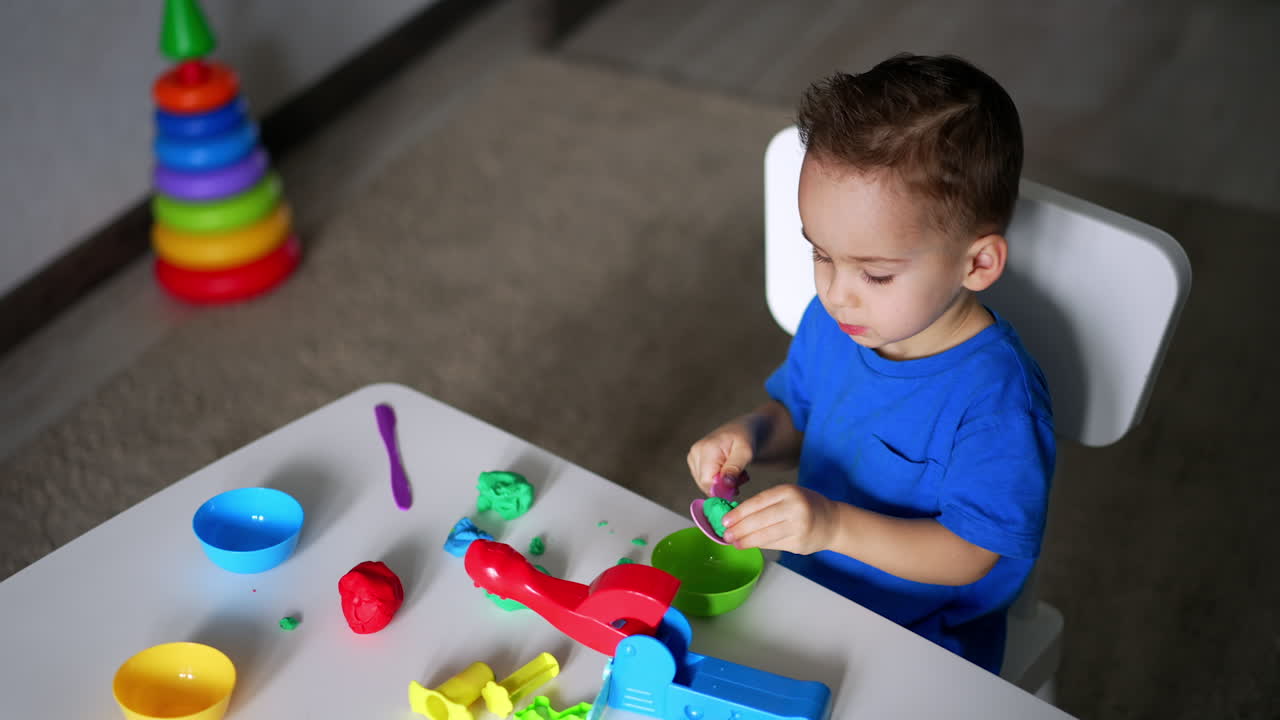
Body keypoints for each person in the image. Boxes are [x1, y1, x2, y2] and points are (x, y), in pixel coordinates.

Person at [686, 53, 1054, 674]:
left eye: (876, 274)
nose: (836, 293)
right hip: (809, 587)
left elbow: (971, 553)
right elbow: (798, 414)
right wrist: (749, 435)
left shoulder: (997, 401)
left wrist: (831, 525)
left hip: (928, 638)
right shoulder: (836, 322)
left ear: (978, 264)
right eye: (820, 254)